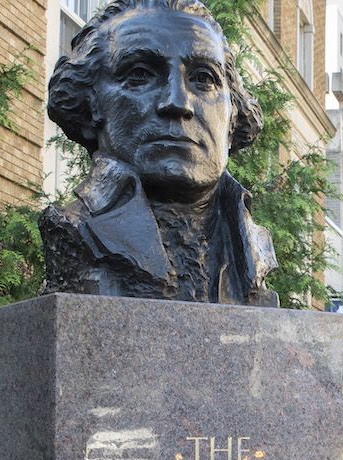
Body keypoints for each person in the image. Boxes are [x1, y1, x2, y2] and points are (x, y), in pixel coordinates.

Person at [42, 0, 279, 306]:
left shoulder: (253, 247)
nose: (177, 102)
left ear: (233, 115)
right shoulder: (73, 229)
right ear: (92, 103)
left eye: (203, 78)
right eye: (140, 74)